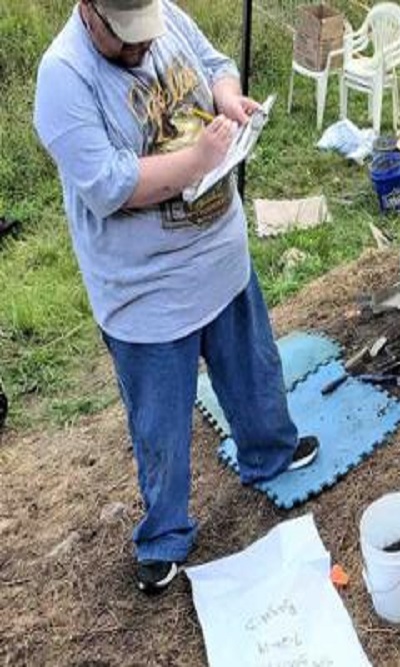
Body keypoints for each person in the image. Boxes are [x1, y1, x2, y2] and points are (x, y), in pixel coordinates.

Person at [33, 0, 318, 594]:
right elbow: (110, 185)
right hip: (148, 294)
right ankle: (165, 534)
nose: (141, 47)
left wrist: (228, 97)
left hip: (221, 258)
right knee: (160, 425)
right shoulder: (63, 76)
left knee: (253, 368)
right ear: (90, 12)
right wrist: (199, 161)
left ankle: (269, 450)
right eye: (126, 39)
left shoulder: (158, 12)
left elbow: (214, 62)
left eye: (146, 35)